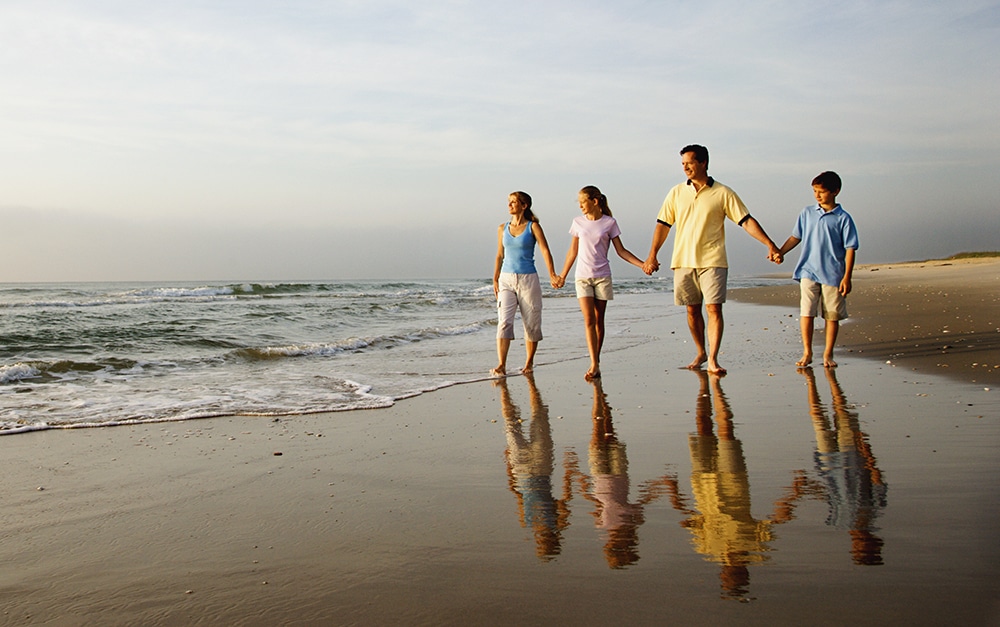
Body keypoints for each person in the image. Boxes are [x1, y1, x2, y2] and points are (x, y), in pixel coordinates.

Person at [642, 144, 782, 375]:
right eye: (683, 164)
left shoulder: (723, 193)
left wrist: (770, 244)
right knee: (692, 310)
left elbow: (746, 221)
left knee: (714, 308)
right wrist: (652, 255)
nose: (685, 167)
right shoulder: (676, 192)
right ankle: (701, 352)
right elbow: (663, 225)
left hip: (713, 260)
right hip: (683, 260)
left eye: (689, 162)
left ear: (703, 163)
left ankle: (714, 359)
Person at [556, 186, 645, 380]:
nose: (580, 205)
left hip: (603, 276)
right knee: (589, 320)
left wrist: (642, 265)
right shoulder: (577, 223)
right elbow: (573, 252)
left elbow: (621, 251)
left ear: (594, 201)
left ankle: (597, 360)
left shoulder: (609, 223)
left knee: (599, 320)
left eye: (582, 201)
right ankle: (594, 362)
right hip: (583, 277)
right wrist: (562, 275)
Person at [776, 171, 858, 367]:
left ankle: (828, 354)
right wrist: (780, 251)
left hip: (833, 274)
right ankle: (807, 352)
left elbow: (850, 248)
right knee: (807, 312)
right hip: (808, 270)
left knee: (831, 315)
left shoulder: (843, 218)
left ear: (835, 191)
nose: (817, 195)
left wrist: (847, 277)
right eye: (814, 191)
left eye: (821, 191)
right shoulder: (807, 213)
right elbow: (796, 236)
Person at [493, 191, 560, 377]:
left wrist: (553, 274)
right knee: (504, 322)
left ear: (524, 205)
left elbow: (546, 251)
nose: (510, 205)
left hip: (528, 279)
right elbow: (500, 255)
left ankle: (529, 362)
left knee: (531, 324)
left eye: (514, 202)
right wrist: (495, 278)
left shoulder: (533, 227)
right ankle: (501, 364)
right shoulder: (502, 228)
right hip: (506, 279)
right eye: (509, 202)